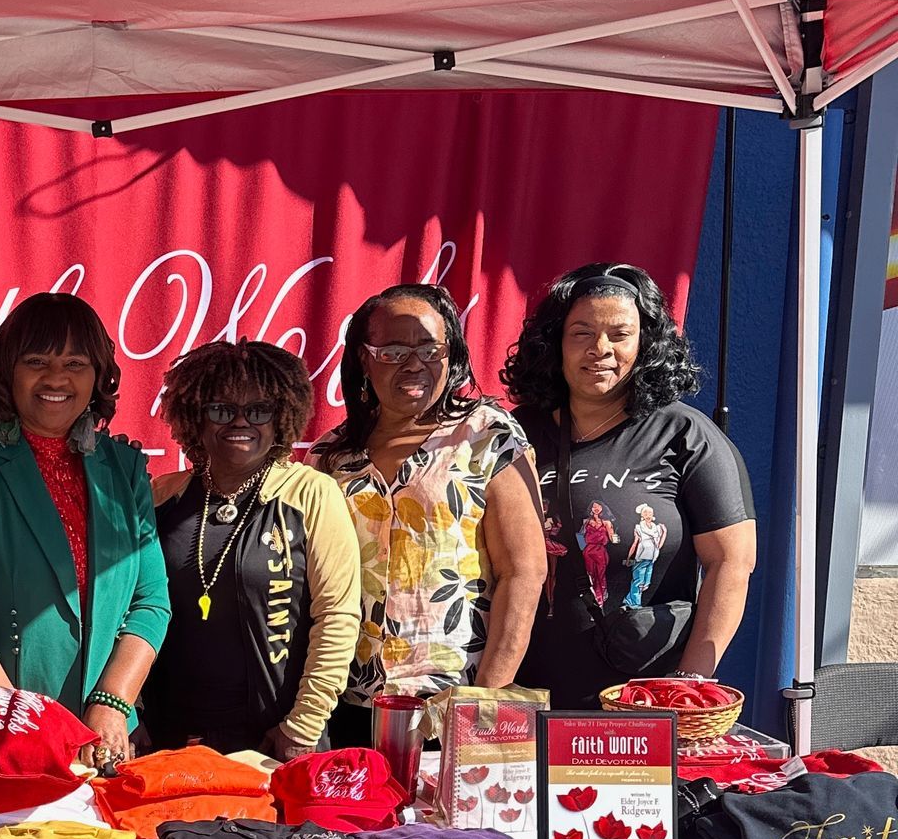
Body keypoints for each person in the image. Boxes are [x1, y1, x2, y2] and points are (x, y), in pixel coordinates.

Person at [0, 293, 170, 767]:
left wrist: (113, 704)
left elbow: (151, 603)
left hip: (107, 745)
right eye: (37, 361)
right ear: (8, 371)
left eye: (75, 362)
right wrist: (31, 730)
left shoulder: (126, 468)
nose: (57, 377)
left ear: (98, 376)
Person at [501, 262, 755, 707]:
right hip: (521, 691)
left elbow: (732, 564)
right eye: (581, 332)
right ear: (554, 342)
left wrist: (689, 683)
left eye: (619, 335)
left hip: (640, 699)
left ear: (645, 344)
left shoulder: (684, 435)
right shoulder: (513, 435)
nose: (600, 348)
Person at [316, 283, 545, 741]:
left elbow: (524, 570)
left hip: (452, 700)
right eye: (394, 350)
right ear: (364, 358)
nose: (415, 363)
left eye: (429, 348)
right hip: (347, 699)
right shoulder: (331, 456)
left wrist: (487, 698)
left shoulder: (484, 432)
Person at [141, 338, 362, 757]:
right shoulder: (161, 496)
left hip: (274, 740)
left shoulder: (312, 493)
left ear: (281, 419)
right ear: (196, 418)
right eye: (222, 410)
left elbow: (337, 616)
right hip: (170, 739)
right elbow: (129, 609)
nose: (240, 423)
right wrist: (132, 711)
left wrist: (303, 726)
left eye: (259, 410)